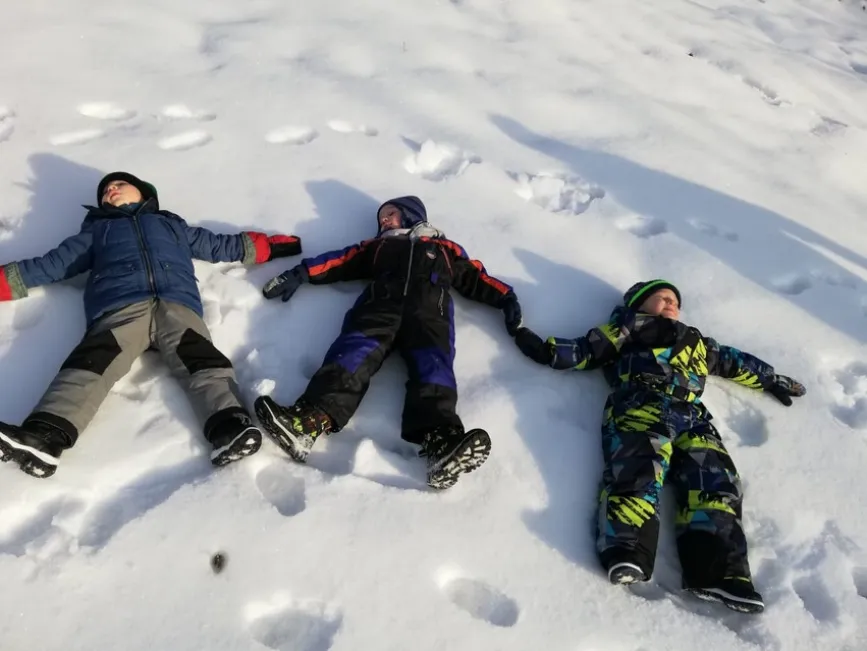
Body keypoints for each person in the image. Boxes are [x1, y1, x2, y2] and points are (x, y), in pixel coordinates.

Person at [514, 279, 805, 614]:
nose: (670, 304)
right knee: (639, 468)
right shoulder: (629, 326)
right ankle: (627, 547)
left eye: (675, 301)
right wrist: (548, 350)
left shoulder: (695, 341)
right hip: (641, 405)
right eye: (661, 298)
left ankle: (719, 572)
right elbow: (589, 349)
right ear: (638, 304)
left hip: (693, 416)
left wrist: (769, 378)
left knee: (716, 483)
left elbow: (731, 361)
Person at [0, 171, 302, 477]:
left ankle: (229, 427)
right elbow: (49, 265)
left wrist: (267, 247)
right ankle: (44, 437)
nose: (111, 190)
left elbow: (217, 245)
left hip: (176, 305)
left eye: (119, 185)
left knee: (202, 361)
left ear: (145, 193)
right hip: (120, 308)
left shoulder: (170, 225)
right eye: (105, 191)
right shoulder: (97, 232)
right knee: (90, 364)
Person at [256, 196, 522, 489]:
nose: (383, 220)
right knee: (352, 356)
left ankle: (442, 446)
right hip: (378, 310)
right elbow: (340, 261)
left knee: (434, 372)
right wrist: (301, 273)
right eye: (382, 217)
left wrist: (505, 297)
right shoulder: (378, 246)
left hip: (430, 317)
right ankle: (305, 424)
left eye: (390, 213)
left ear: (411, 215)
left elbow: (476, 277)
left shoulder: (445, 249)